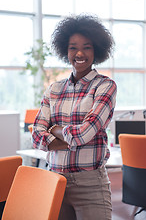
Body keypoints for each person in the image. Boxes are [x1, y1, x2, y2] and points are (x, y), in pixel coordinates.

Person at [32, 14, 117, 220]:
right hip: (54, 180)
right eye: (73, 47)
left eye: (87, 47)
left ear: (96, 49)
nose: (79, 53)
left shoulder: (105, 86)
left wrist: (55, 130)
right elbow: (36, 135)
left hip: (90, 185)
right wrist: (69, 138)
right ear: (65, 51)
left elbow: (84, 134)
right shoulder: (54, 89)